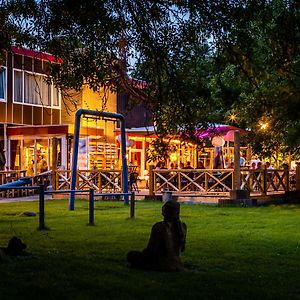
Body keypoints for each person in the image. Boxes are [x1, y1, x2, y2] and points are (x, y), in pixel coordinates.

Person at [127, 200, 187, 272]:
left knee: (132, 255)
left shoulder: (159, 227)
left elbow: (152, 250)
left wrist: (144, 254)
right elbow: (182, 249)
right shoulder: (183, 226)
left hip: (162, 263)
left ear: (163, 212)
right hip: (178, 262)